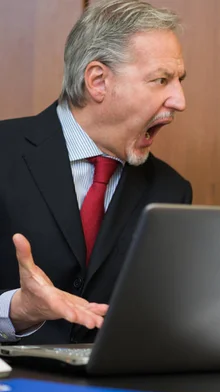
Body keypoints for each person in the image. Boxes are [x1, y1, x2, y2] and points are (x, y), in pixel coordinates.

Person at [0, 0, 192, 345]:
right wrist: (17, 310)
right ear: (98, 81)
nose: (179, 100)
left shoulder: (171, 190)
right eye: (161, 80)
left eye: (178, 80)